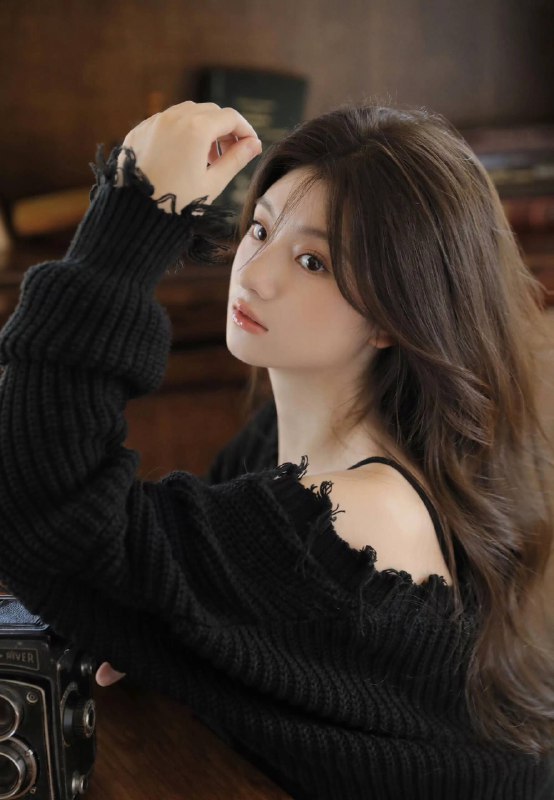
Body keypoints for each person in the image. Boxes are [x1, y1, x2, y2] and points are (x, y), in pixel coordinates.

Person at [0, 100, 552, 799]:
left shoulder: (356, 519)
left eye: (313, 261)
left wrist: (136, 212)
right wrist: (151, 630)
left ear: (393, 314)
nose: (255, 274)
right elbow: (119, 566)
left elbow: (38, 512)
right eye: (260, 229)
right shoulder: (285, 444)